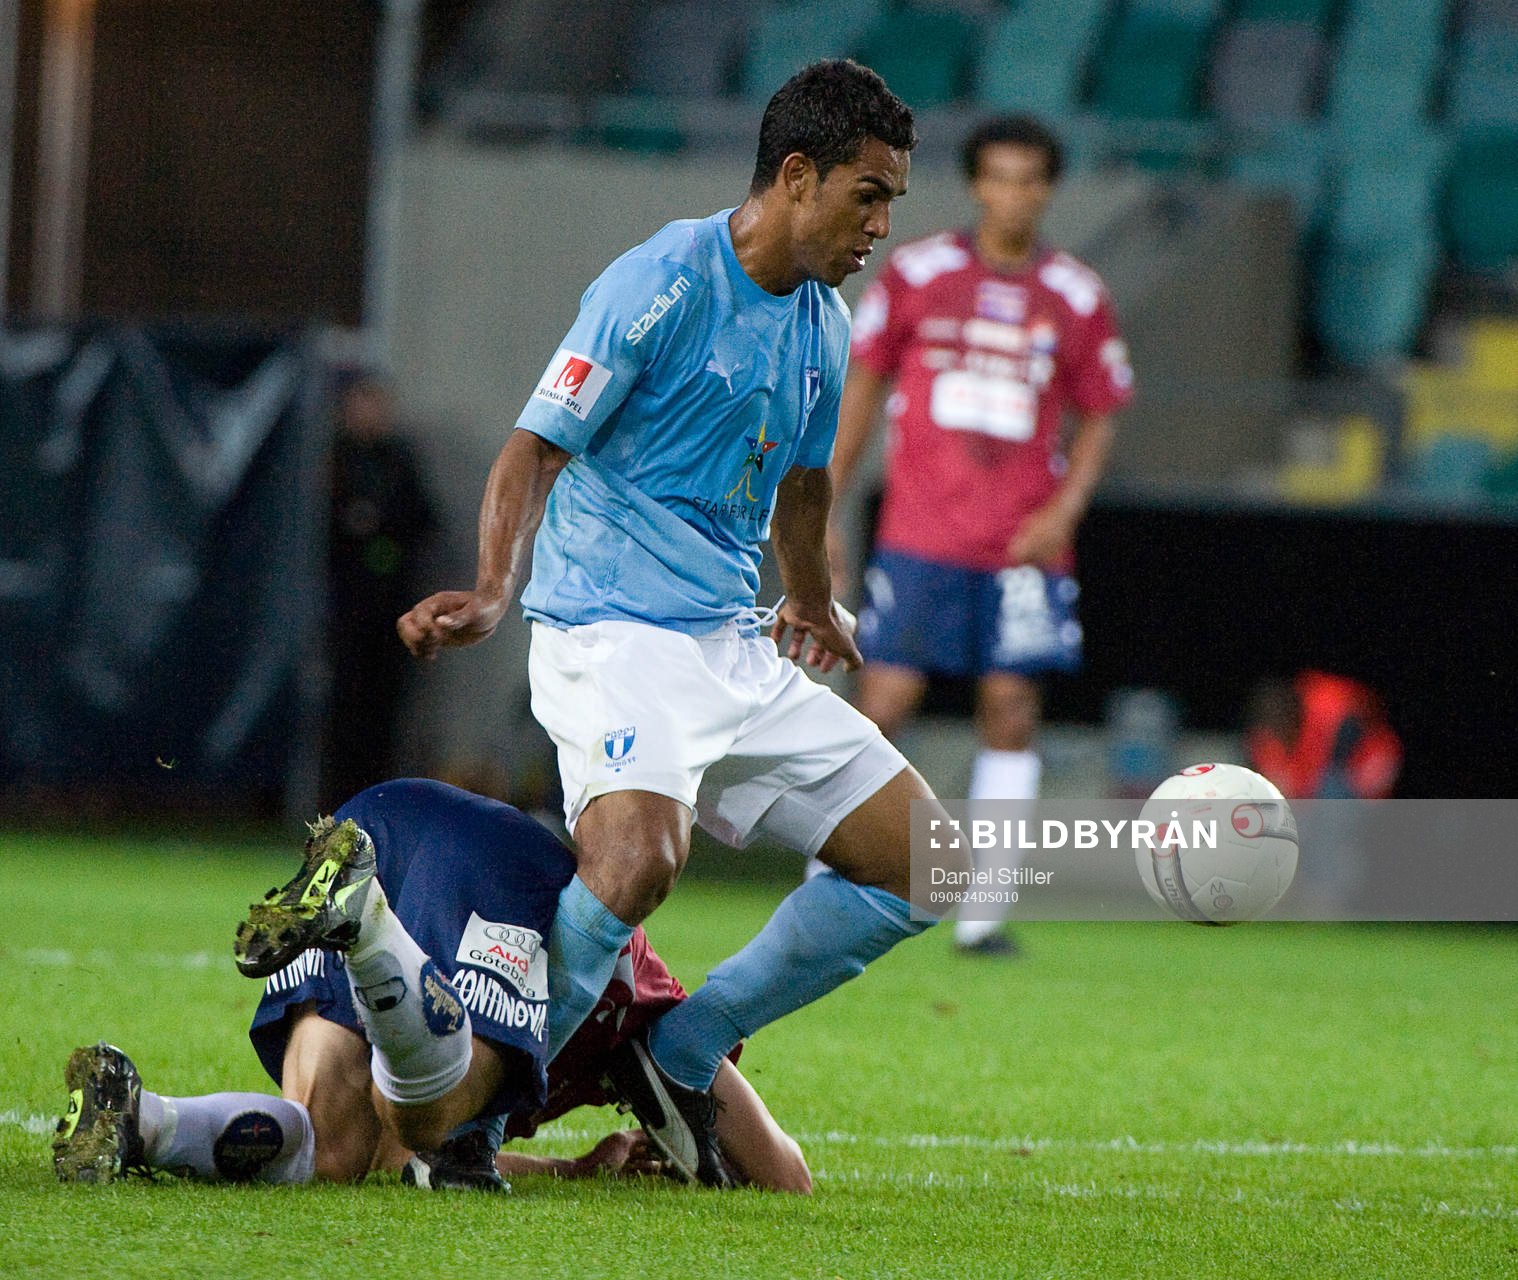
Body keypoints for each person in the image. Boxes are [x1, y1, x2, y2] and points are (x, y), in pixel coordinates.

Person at [397, 60, 961, 1186]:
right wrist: (496, 588)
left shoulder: (823, 324)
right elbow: (535, 446)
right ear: (796, 177)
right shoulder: (660, 280)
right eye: (868, 192)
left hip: (728, 641)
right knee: (639, 857)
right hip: (608, 630)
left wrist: (806, 593)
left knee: (932, 865)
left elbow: (803, 493)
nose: (882, 225)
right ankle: (474, 1124)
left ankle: (683, 1047)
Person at [51, 779, 810, 1193]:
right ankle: (372, 926)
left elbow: (404, 1161)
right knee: (423, 1113)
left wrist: (570, 1169)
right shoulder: (653, 1024)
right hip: (505, 872)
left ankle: (140, 1121)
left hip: (383, 819)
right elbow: (786, 1178)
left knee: (334, 1146)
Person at [819, 114, 1134, 954]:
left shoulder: (1075, 294)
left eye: (1030, 179)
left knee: (1012, 706)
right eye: (999, 176)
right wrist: (828, 513)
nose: (1014, 194)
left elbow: (1102, 412)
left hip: (1023, 543)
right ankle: (832, 879)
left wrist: (1065, 509)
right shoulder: (919, 274)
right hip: (921, 531)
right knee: (881, 702)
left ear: (1048, 189)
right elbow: (862, 392)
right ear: (975, 185)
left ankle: (985, 913)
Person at [326, 375, 439, 806]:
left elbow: (424, 520)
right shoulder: (334, 458)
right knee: (345, 710)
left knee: (385, 712)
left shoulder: (398, 460)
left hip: (392, 613)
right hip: (346, 612)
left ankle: (380, 805)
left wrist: (380, 525)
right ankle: (339, 805)